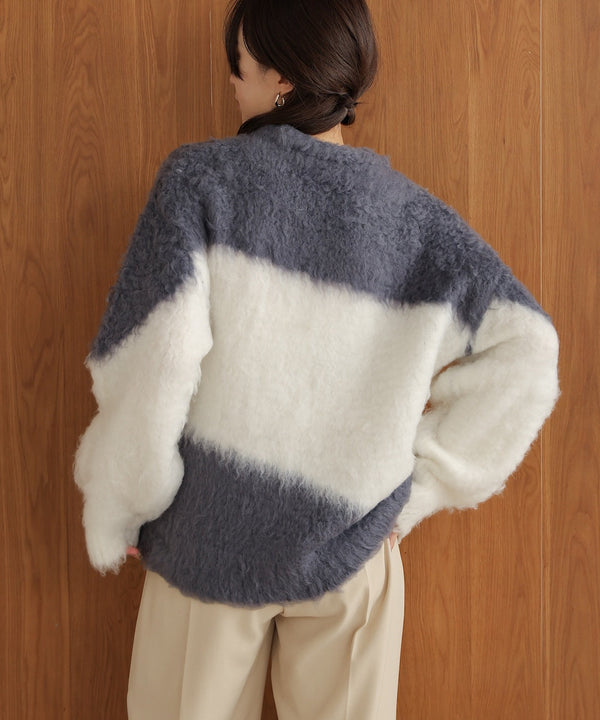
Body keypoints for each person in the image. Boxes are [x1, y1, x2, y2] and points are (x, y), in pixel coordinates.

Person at [73, 0, 560, 718]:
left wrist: (128, 501)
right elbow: (528, 348)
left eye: (238, 64)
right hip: (350, 544)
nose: (231, 81)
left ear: (282, 77)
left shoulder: (202, 182)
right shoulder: (416, 223)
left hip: (209, 539)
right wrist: (423, 487)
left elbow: (152, 360)